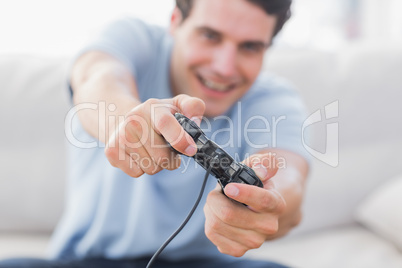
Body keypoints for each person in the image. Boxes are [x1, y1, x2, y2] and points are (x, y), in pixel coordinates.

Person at [0, 0, 309, 267]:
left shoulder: (275, 99)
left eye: (250, 47)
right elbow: (96, 79)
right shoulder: (132, 38)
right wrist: (128, 121)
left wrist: (266, 199)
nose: (224, 67)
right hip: (87, 261)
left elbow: (289, 182)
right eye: (210, 36)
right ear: (175, 21)